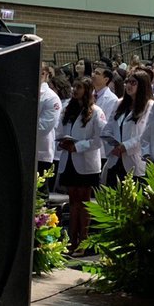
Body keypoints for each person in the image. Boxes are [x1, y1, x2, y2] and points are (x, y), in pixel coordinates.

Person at [56, 78, 105, 252]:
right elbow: (59, 131)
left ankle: (83, 240)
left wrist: (77, 146)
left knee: (84, 201)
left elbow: (99, 140)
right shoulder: (67, 110)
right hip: (69, 160)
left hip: (85, 162)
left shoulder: (96, 112)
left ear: (87, 91)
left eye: (79, 87)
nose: (74, 90)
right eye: (74, 86)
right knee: (72, 200)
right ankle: (71, 240)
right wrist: (62, 143)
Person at [103, 68, 153, 183]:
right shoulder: (119, 103)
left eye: (133, 82)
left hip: (134, 161)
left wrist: (125, 146)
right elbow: (108, 129)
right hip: (115, 160)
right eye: (127, 82)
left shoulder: (150, 106)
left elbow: (146, 134)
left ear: (143, 85)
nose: (129, 85)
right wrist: (114, 147)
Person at [37, 64, 64, 179]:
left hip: (40, 153)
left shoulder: (51, 98)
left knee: (39, 194)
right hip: (23, 151)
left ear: (43, 74)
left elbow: (43, 127)